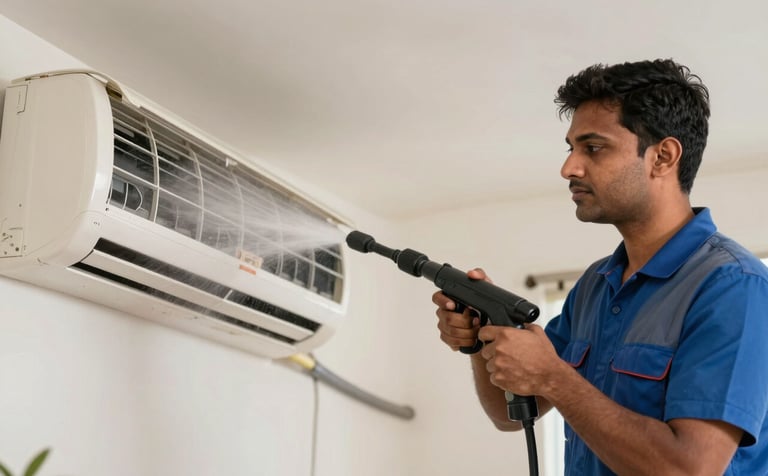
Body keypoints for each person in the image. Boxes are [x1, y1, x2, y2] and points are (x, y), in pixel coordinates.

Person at [432, 59, 768, 475]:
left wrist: (554, 376)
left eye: (593, 148)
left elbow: (690, 469)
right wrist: (485, 338)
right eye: (570, 148)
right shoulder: (595, 285)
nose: (568, 168)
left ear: (663, 156)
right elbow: (511, 411)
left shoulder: (733, 286)